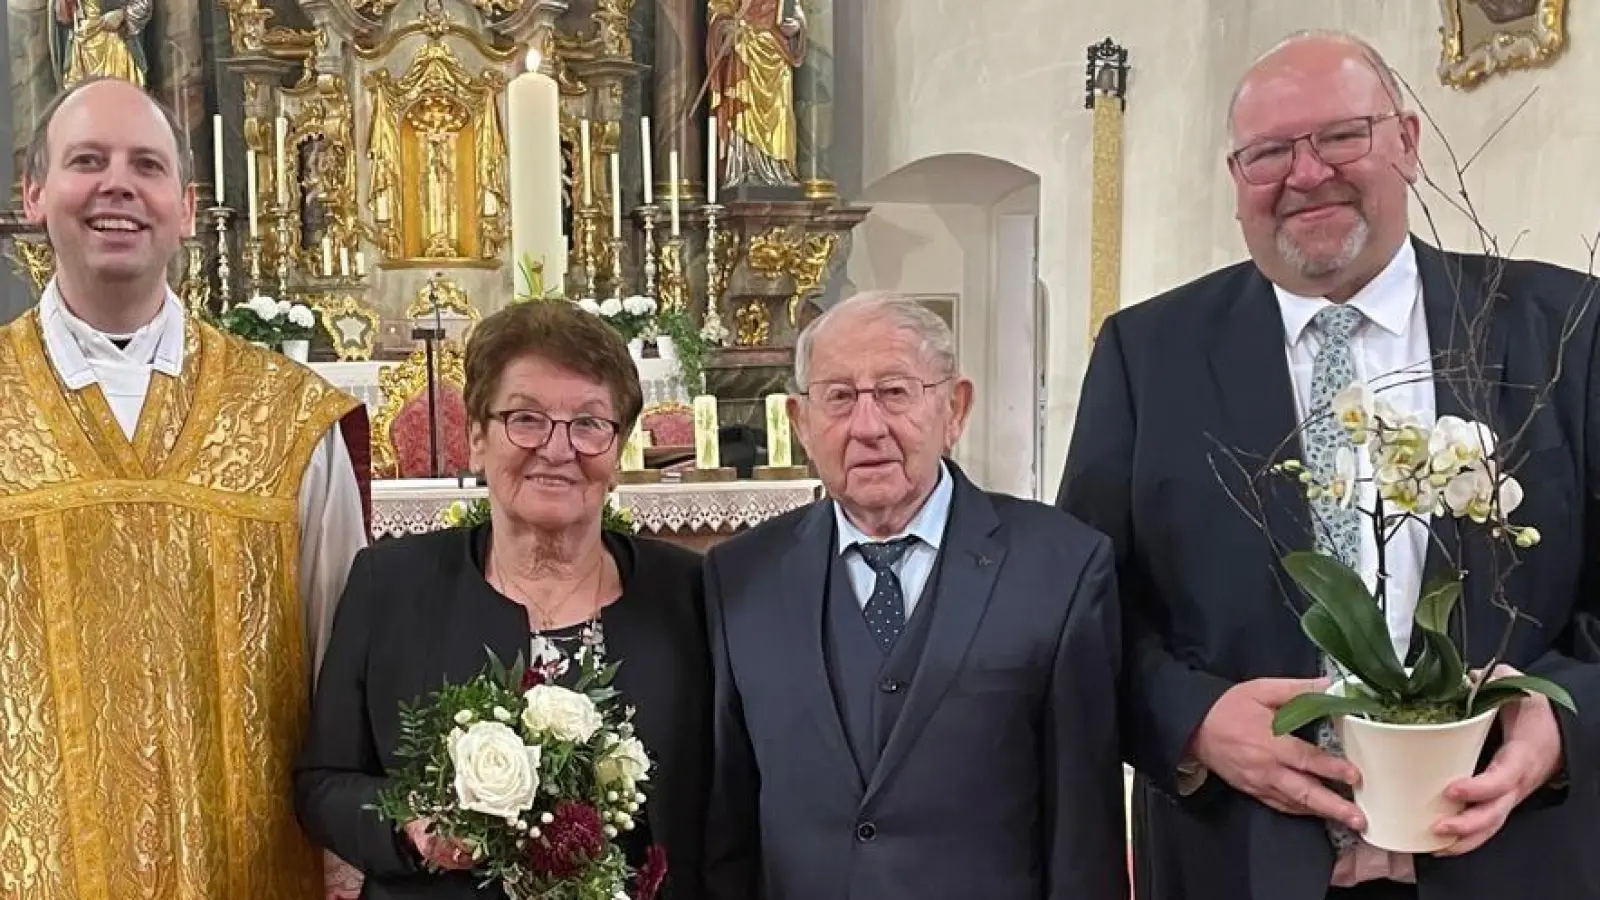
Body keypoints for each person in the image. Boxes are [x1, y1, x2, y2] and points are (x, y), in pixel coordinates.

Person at [1058, 30, 1600, 900]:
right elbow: (1085, 608)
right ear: (1238, 182)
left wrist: (1567, 727)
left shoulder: (1564, 330)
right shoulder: (1146, 355)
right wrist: (1191, 722)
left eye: (1342, 136)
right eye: (1269, 151)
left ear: (1409, 143)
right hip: (1238, 858)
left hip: (1518, 854)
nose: (1306, 173)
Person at [0, 76, 368, 896]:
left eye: (146, 165)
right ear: (34, 194)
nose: (117, 185)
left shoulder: (289, 419)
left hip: (249, 866)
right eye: (86, 160)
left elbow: (344, 674)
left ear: (189, 206)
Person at [704, 291, 1127, 900]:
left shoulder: (1061, 567)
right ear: (801, 422)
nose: (867, 426)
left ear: (955, 408)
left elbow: (1084, 832)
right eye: (840, 397)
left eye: (896, 392)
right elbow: (730, 821)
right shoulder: (739, 576)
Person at [296, 300, 710, 900]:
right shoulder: (391, 586)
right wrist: (409, 825)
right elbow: (322, 783)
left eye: (590, 422)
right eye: (527, 418)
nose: (558, 449)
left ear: (618, 451)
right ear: (477, 439)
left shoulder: (689, 596)